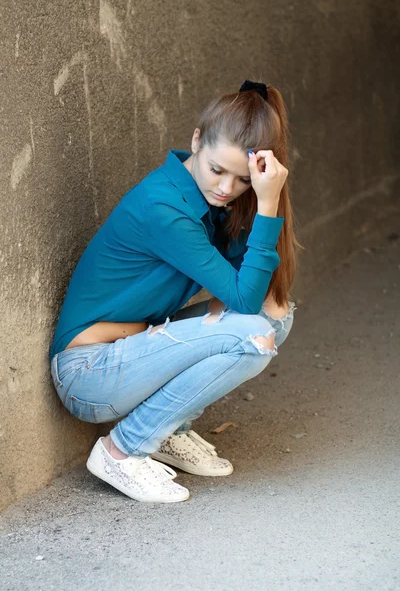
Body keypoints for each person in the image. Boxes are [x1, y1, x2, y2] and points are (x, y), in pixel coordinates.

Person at [50, 79, 298, 503]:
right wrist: (269, 206)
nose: (225, 188)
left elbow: (256, 293)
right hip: (89, 374)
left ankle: (167, 430)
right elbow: (241, 301)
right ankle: (122, 450)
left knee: (278, 315)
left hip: (133, 347)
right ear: (196, 141)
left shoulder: (217, 202)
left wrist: (260, 197)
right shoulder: (165, 208)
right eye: (217, 169)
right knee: (251, 336)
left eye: (242, 180)